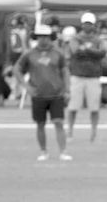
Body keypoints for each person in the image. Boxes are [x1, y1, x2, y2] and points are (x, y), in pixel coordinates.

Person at [15, 24, 71, 162]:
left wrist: (67, 89)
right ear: (36, 37)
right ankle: (43, 151)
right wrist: (26, 87)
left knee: (59, 122)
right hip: (38, 94)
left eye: (46, 37)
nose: (43, 40)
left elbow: (65, 72)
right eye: (41, 37)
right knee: (40, 124)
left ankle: (63, 151)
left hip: (56, 94)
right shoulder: (29, 54)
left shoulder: (58, 53)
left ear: (50, 38)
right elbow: (17, 69)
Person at [65, 12, 107, 142]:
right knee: (73, 106)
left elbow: (102, 52)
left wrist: (87, 50)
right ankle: (70, 131)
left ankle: (94, 132)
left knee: (94, 107)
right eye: (85, 23)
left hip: (93, 76)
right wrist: (91, 52)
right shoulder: (76, 38)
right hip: (78, 75)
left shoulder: (98, 39)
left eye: (89, 24)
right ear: (82, 24)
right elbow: (76, 51)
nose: (87, 26)